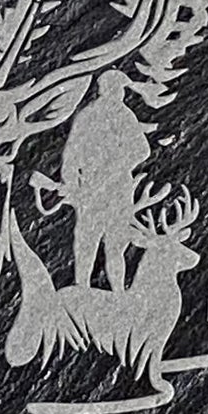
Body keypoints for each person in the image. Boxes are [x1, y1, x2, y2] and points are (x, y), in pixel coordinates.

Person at [60, 69, 151, 290]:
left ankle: (92, 287)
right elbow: (142, 150)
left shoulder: (95, 115)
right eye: (120, 88)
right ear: (111, 89)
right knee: (105, 243)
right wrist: (72, 183)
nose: (122, 93)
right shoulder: (116, 114)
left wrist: (72, 181)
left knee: (97, 241)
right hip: (102, 188)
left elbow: (141, 151)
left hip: (104, 187)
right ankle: (106, 289)